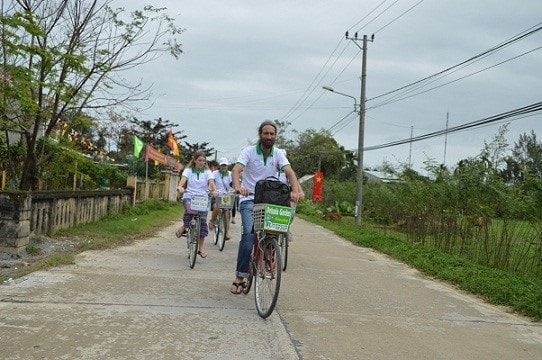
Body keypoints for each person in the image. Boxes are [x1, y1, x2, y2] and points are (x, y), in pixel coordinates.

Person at [230, 120, 304, 294]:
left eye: (272, 134)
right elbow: (236, 170)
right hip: (249, 200)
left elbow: (289, 172)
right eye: (266, 133)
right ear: (260, 135)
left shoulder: (278, 153)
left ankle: (269, 252)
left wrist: (295, 190)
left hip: (269, 199)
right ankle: (240, 277)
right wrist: (238, 187)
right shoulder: (248, 152)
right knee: (248, 234)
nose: (269, 136)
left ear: (275, 136)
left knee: (274, 229)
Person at [175, 151, 218, 258]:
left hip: (203, 198)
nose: (201, 162)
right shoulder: (188, 171)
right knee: (190, 212)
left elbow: (211, 182)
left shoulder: (208, 172)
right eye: (199, 160)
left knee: (202, 221)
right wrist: (180, 187)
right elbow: (183, 180)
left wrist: (214, 190)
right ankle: (185, 226)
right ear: (194, 160)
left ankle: (201, 247)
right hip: (189, 196)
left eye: (203, 161)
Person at [209, 157, 234, 240]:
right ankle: (213, 220)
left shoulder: (230, 174)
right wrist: (212, 190)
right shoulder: (215, 173)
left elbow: (233, 183)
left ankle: (226, 232)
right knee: (216, 206)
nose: (223, 167)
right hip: (217, 195)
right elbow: (211, 182)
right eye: (222, 165)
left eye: (225, 165)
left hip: (227, 196)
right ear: (220, 165)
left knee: (227, 212)